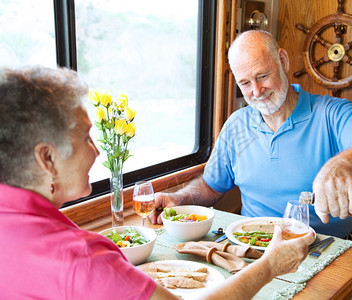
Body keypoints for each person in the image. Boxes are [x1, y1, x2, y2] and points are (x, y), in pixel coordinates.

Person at [0, 65, 315, 299]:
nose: (97, 151)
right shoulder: (80, 259)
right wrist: (270, 266)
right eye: (85, 138)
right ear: (48, 159)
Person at [150, 30, 352, 238]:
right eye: (245, 83)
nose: (256, 91)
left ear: (282, 61)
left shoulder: (330, 114)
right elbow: (210, 186)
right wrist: (178, 198)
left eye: (263, 75)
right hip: (253, 247)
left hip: (321, 251)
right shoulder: (237, 126)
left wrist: (343, 163)